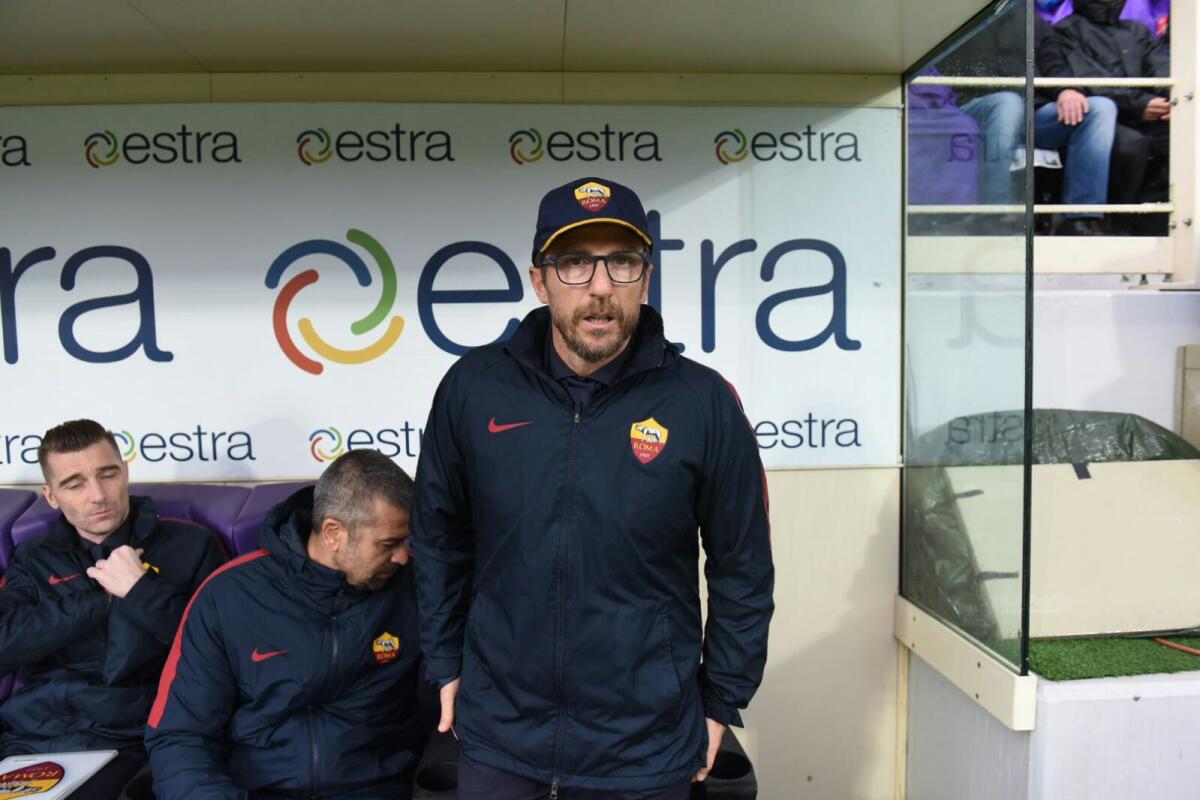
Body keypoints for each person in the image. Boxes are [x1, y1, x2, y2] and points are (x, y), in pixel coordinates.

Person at [413, 177, 775, 798]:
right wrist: (444, 661)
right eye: (576, 262)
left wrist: (722, 699)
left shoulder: (703, 402)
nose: (601, 287)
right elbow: (438, 538)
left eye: (623, 262)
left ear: (647, 276)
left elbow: (743, 565)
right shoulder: (473, 389)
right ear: (540, 280)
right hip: (501, 736)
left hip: (644, 746)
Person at [145, 448, 424, 800]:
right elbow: (179, 736)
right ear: (333, 533)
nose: (402, 555)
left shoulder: (416, 588)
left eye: (405, 540)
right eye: (389, 544)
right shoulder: (228, 596)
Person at [0, 419, 226, 798]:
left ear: (125, 472)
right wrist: (99, 599)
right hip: (36, 732)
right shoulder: (36, 557)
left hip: (137, 733)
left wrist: (139, 592)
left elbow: (225, 648)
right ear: (51, 495)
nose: (98, 495)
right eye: (75, 484)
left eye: (107, 475)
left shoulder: (190, 544)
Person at [938, 2, 1118, 235]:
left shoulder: (1028, 15)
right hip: (972, 109)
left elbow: (1053, 61)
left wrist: (1067, 90)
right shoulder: (956, 13)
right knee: (1007, 103)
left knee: (1099, 108)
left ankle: (1081, 218)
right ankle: (996, 213)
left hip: (1032, 110)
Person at [1056, 0, 1171, 234]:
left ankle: (1158, 227)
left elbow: (1162, 69)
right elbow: (1088, 80)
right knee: (1131, 145)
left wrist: (1171, 101)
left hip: (1147, 116)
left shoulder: (1137, 30)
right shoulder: (1065, 30)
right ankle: (1116, 224)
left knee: (1183, 138)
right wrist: (1140, 105)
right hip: (1098, 120)